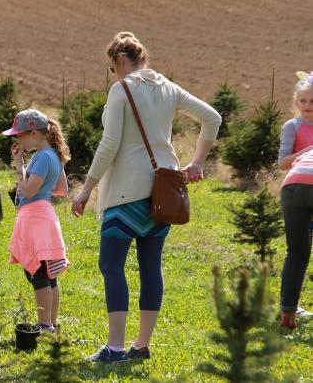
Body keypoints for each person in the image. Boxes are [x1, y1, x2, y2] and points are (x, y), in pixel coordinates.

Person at [71, 32, 221, 363]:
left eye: (113, 68)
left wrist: (86, 190)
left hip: (126, 192)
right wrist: (196, 161)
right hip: (162, 193)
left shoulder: (121, 89)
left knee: (111, 265)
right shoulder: (168, 87)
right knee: (151, 266)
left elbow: (109, 144)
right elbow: (213, 118)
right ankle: (141, 345)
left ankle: (114, 347)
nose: (114, 74)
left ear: (120, 61)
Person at [4, 109, 70, 334]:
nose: (17, 139)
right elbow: (62, 190)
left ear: (33, 133)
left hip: (34, 218)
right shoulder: (53, 154)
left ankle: (44, 325)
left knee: (37, 273)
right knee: (49, 273)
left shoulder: (41, 157)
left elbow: (30, 190)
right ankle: (51, 324)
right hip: (46, 216)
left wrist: (21, 175)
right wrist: (21, 163)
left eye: (20, 135)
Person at [277, 72, 313, 329]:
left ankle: (287, 314)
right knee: (298, 252)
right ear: (296, 102)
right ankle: (291, 310)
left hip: (293, 189)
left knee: (297, 253)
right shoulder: (292, 127)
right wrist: (308, 151)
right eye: (303, 101)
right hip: (299, 183)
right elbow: (282, 163)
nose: (308, 106)